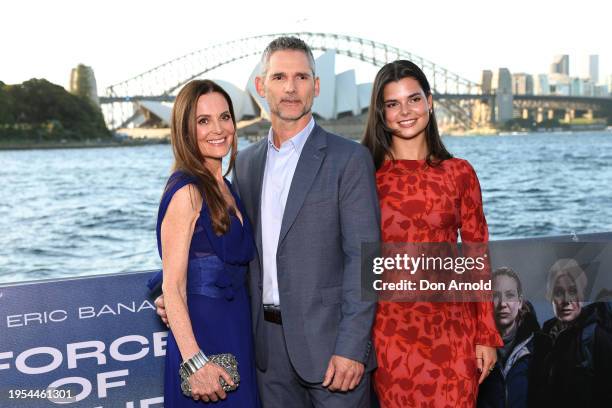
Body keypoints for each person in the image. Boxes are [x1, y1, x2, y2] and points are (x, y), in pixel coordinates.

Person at [157, 36, 381, 407]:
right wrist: (170, 292)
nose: (290, 88)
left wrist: (352, 347)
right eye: (279, 77)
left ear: (317, 85)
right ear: (261, 87)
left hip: (332, 351)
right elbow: (216, 247)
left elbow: (366, 261)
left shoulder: (350, 159)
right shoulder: (247, 164)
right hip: (263, 352)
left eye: (301, 77)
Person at [362, 60, 502, 407]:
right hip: (390, 337)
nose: (405, 112)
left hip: (453, 334)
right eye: (392, 104)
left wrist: (484, 335)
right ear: (381, 113)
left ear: (430, 102)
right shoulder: (365, 175)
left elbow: (476, 259)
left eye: (414, 99)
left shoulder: (459, 173)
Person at [153, 79, 259, 406]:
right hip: (201, 338)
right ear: (186, 130)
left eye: (224, 117)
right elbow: (173, 286)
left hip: (237, 329)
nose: (218, 128)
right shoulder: (187, 190)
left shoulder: (228, 186)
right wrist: (195, 363)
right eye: (203, 120)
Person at [529, 258, 612, 407]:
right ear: (550, 297)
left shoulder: (597, 337)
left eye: (573, 291)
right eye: (559, 292)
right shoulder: (543, 339)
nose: (566, 300)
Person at [478, 267, 540, 408]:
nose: (502, 304)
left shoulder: (540, 347)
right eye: (495, 296)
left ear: (520, 301)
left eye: (510, 295)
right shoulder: (474, 348)